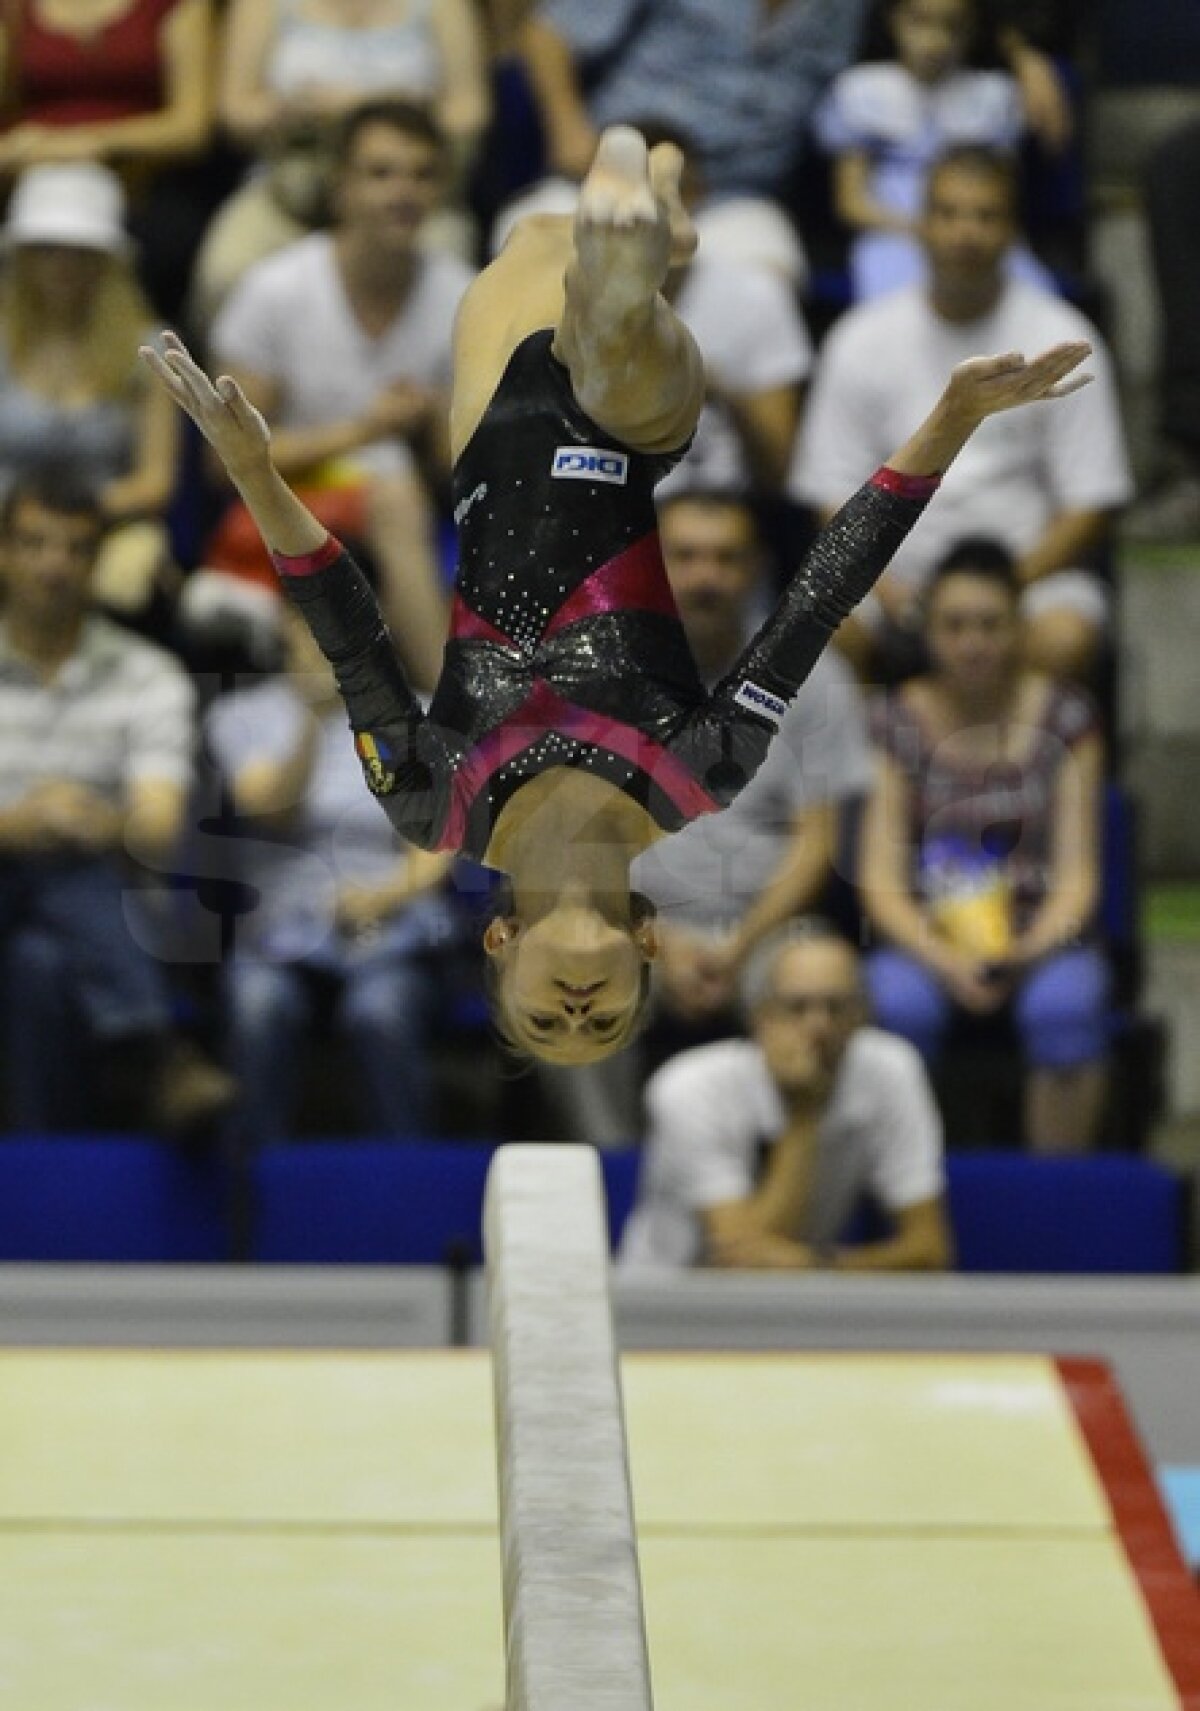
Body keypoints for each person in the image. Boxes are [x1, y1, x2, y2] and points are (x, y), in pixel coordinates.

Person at [142, 123, 1094, 1066]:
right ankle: (634, 229)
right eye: (600, 1022)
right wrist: (951, 418)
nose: (577, 1011)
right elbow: (817, 600)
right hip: (635, 425)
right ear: (647, 952)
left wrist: (255, 470)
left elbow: (351, 635)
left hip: (488, 426)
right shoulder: (695, 774)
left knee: (537, 242)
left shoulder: (436, 805)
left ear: (499, 948)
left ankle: (660, 211)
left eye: (548, 1021)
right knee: (606, 329)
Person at [791, 144, 1133, 684]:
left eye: (985, 215)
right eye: (948, 213)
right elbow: (830, 492)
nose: (965, 233)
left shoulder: (1062, 338)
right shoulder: (859, 339)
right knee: (823, 631)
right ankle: (867, 770)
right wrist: (892, 591)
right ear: (920, 225)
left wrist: (998, 591)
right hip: (890, 578)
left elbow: (1090, 500)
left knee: (1066, 636)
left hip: (1026, 577)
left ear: (1012, 228)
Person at [206, 98, 474, 693]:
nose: (402, 191)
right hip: (282, 502)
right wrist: (365, 429)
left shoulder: (462, 297)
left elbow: (462, 471)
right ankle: (445, 703)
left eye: (422, 173)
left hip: (402, 502)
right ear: (341, 186)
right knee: (391, 492)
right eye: (381, 173)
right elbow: (225, 463)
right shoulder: (275, 292)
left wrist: (433, 417)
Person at [0, 469, 235, 1134]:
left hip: (106, 901)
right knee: (51, 864)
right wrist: (19, 823)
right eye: (35, 544)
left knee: (37, 964)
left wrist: (94, 821)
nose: (54, 565)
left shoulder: (146, 674)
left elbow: (159, 832)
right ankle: (154, 1051)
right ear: (3, 552)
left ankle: (43, 1184)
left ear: (96, 560)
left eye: (74, 548)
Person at [859, 536, 1109, 1152]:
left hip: (1042, 936)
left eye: (991, 625)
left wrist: (1021, 952)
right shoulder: (893, 721)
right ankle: (909, 1194)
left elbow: (1078, 874)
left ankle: (1054, 1198)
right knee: (896, 1008)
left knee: (1068, 1007)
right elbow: (880, 880)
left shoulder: (1068, 717)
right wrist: (947, 960)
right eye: (955, 625)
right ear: (928, 632)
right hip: (924, 939)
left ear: (1021, 627)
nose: (973, 642)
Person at [206, 596, 456, 1143]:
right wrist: (313, 719)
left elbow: (436, 843)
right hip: (276, 934)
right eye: (313, 619)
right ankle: (250, 1184)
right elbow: (270, 810)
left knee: (381, 1013)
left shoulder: (416, 716)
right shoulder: (240, 715)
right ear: (286, 626)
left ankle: (403, 1178)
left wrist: (385, 896)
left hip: (385, 929)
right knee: (258, 1007)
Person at [632, 490, 870, 1026]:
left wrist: (738, 945)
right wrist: (659, 943)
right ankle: (608, 1120)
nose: (705, 578)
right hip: (630, 928)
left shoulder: (814, 675)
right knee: (562, 967)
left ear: (757, 568)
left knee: (818, 978)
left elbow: (818, 842)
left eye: (726, 558)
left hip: (771, 931)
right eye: (685, 556)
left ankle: (803, 1116)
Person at [618, 919, 951, 1271]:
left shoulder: (891, 1068)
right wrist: (804, 1113)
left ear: (862, 1015)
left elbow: (930, 1250)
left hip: (806, 1304)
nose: (818, 1026)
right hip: (668, 1304)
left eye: (836, 1007)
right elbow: (740, 1266)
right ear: (759, 1017)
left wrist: (816, 1266)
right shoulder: (688, 1087)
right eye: (796, 1007)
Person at [192, 0, 491, 327]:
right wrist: (295, 108)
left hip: (408, 184)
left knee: (459, 290)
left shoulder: (444, 6)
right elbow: (236, 110)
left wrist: (385, 111)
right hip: (292, 185)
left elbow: (470, 112)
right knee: (225, 274)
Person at [0, 162, 180, 626]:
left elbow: (156, 480)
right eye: (47, 249)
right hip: (4, 526)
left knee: (130, 576)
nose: (62, 264)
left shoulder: (149, 348)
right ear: (22, 255)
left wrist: (67, 523)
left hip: (108, 528)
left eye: (79, 250)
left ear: (108, 259)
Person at [814, 0, 1053, 302]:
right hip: (895, 236)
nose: (935, 40)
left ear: (973, 28)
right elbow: (850, 202)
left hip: (976, 232)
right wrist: (929, 231)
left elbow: (1004, 192)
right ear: (893, 19)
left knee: (1035, 303)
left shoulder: (994, 95)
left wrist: (1026, 60)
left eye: (952, 26)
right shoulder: (861, 90)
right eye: (919, 21)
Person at [0, 0, 218, 319]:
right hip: (31, 180)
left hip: (140, 184)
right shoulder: (14, 10)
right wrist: (19, 151)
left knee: (175, 245)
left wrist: (90, 143)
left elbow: (191, 128)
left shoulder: (175, 6)